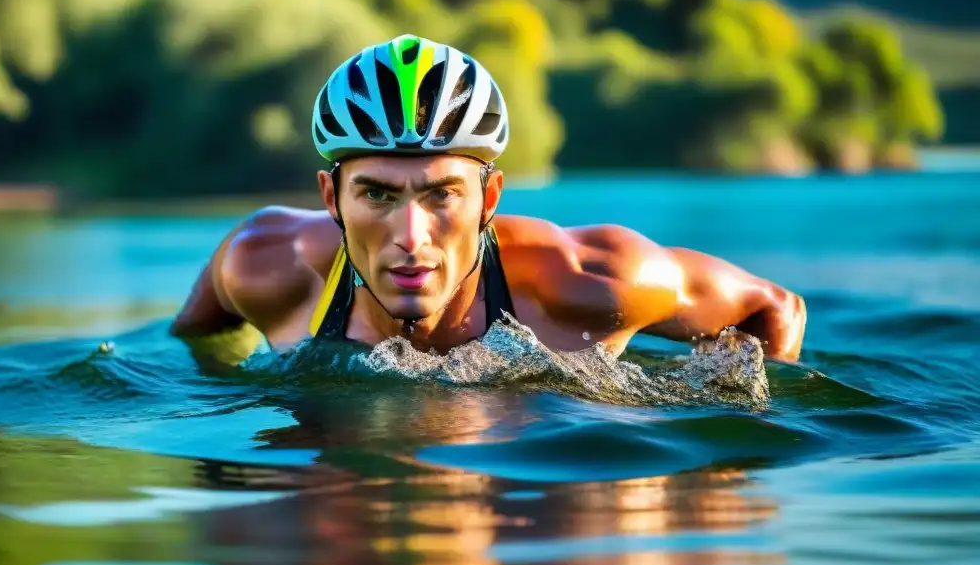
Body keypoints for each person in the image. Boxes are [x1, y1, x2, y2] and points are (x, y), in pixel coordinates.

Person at [171, 35, 806, 362]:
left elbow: (775, 307)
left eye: (442, 194)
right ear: (330, 197)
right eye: (376, 194)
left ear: (489, 196)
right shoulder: (262, 263)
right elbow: (196, 348)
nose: (411, 236)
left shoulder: (592, 283)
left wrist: (730, 437)